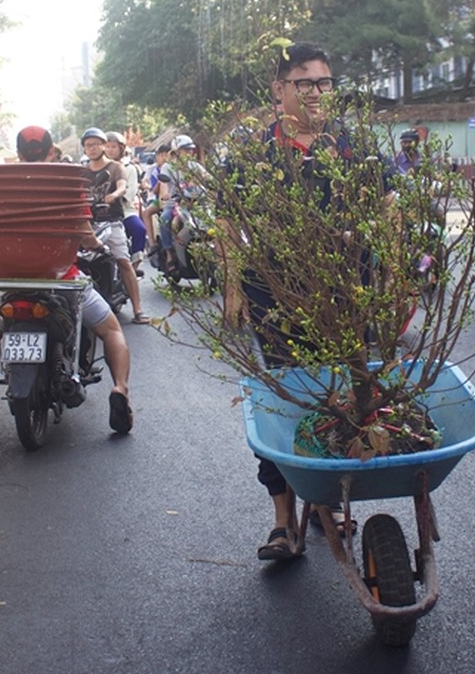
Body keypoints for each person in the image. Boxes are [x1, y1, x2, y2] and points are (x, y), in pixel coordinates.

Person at [219, 41, 366, 562]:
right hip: (274, 294)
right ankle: (284, 521)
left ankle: (335, 499)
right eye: (305, 83)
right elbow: (227, 218)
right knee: (284, 399)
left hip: (348, 293)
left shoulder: (351, 145)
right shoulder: (253, 152)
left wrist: (392, 270)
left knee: (344, 397)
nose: (318, 93)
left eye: (325, 83)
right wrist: (234, 285)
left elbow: (389, 204)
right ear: (279, 89)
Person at [0, 125, 135, 435]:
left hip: (7, 274)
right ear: (50, 151)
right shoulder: (65, 180)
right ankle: (120, 389)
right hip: (60, 273)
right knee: (111, 328)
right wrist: (96, 246)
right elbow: (83, 230)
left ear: (19, 153)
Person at [80, 127, 151, 324]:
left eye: (95, 144)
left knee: (123, 261)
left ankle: (138, 309)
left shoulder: (115, 167)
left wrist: (115, 195)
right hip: (88, 224)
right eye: (88, 145)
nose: (92, 148)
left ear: (103, 145)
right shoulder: (83, 172)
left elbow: (122, 185)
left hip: (111, 222)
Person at [155, 134, 203, 274]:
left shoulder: (195, 166)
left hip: (194, 203)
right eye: (185, 149)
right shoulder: (167, 167)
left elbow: (207, 178)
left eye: (190, 149)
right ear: (176, 151)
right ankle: (170, 253)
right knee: (164, 219)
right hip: (174, 203)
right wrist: (165, 194)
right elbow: (163, 184)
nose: (189, 152)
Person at [105, 131, 149, 275]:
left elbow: (128, 193)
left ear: (121, 148)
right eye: (107, 146)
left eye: (113, 147)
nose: (110, 150)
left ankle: (133, 268)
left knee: (139, 229)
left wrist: (112, 199)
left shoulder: (129, 168)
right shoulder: (99, 167)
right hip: (101, 212)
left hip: (124, 211)